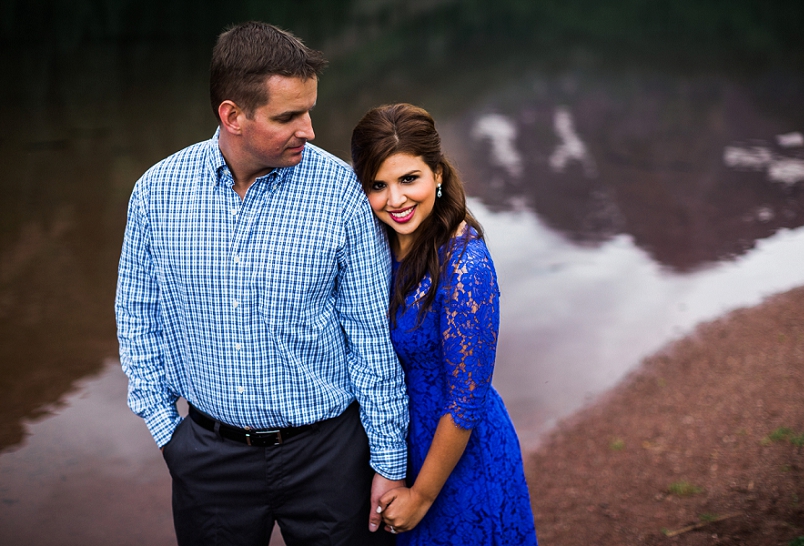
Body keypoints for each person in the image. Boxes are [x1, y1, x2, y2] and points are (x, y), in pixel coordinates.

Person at [115, 22, 408, 546]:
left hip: (329, 457)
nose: (310, 129)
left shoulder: (340, 189)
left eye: (309, 110)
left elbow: (371, 335)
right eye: (288, 117)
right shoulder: (156, 193)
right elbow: (138, 317)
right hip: (208, 459)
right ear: (233, 115)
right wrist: (168, 431)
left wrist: (388, 460)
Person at [350, 103, 539, 545]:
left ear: (437, 173)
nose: (395, 200)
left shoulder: (464, 263)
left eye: (408, 179)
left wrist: (421, 495)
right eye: (378, 185)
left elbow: (466, 402)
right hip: (392, 447)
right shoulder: (372, 244)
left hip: (454, 461)